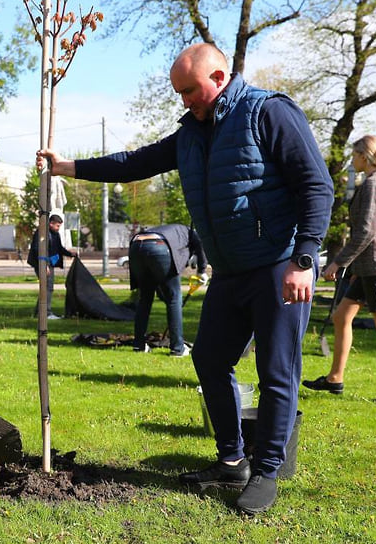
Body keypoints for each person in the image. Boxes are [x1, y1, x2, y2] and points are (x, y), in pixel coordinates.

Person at [37, 43, 333, 514]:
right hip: (231, 271)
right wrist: (66, 167)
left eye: (190, 91)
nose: (185, 101)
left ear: (218, 77)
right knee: (211, 362)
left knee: (277, 373)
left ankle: (267, 471)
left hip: (279, 266)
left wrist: (304, 258)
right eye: (179, 93)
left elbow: (316, 183)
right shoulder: (190, 134)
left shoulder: (268, 112)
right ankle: (232, 458)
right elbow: (133, 163)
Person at [303, 135, 376, 404]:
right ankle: (335, 379)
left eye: (354, 155)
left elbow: (366, 232)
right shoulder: (374, 184)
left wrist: (338, 262)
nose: (352, 161)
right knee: (342, 316)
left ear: (365, 156)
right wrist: (355, 268)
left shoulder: (375, 185)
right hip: (369, 267)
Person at [129, 224, 206, 357]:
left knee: (145, 299)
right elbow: (200, 245)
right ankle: (177, 348)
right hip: (159, 245)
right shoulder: (191, 234)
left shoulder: (174, 231)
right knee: (174, 299)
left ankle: (139, 345)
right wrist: (202, 271)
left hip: (136, 245)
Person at [26, 214, 77, 319]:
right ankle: (46, 313)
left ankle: (39, 312)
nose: (58, 228)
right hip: (42, 264)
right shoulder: (42, 233)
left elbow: (59, 248)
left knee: (47, 287)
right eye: (57, 226)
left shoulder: (55, 234)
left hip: (49, 264)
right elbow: (37, 249)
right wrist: (43, 265)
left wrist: (70, 254)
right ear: (51, 223)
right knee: (47, 287)